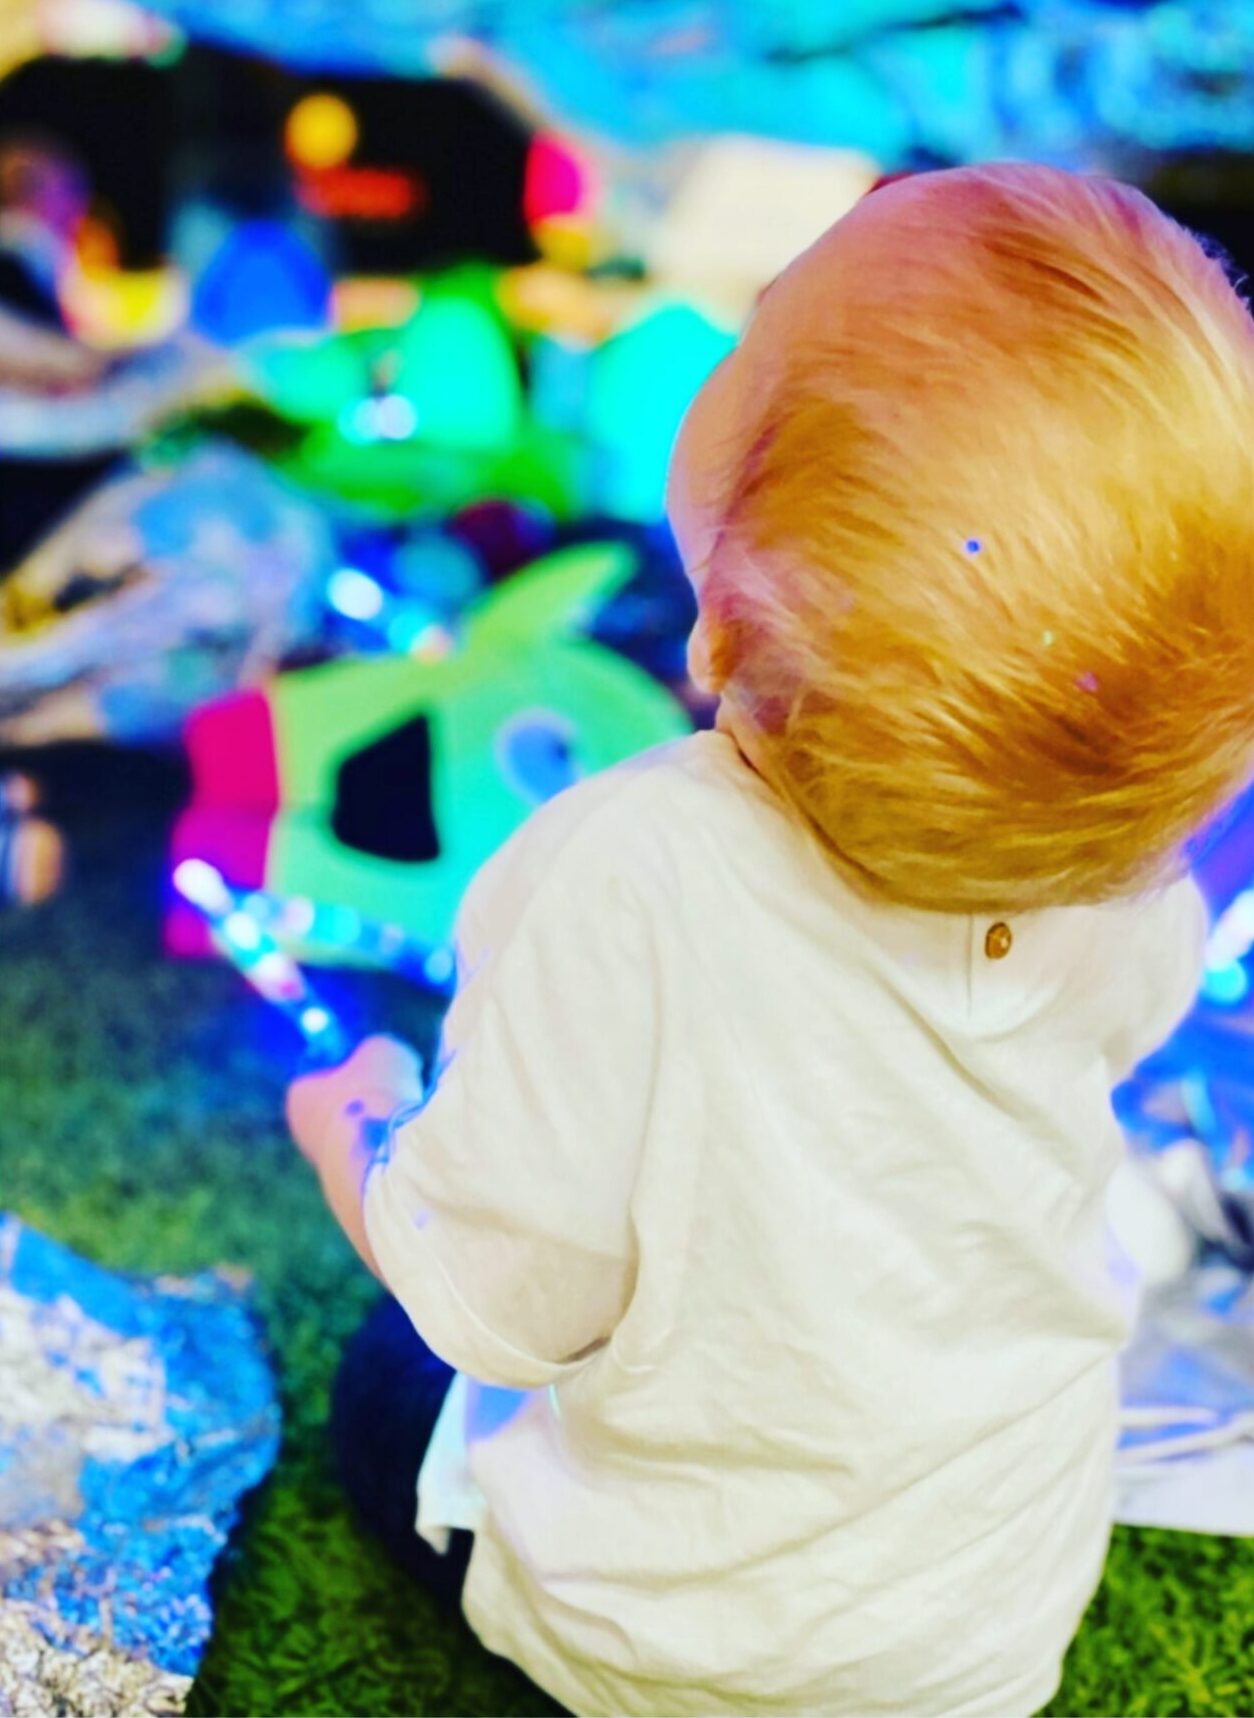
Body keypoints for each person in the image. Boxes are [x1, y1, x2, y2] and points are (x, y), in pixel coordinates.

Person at [286, 163, 1254, 1715]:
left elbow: (506, 1306)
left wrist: (357, 1131)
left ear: (726, 623)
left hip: (680, 1655)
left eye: (750, 339)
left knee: (386, 1377)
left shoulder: (627, 868)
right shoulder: (1134, 893)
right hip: (980, 1645)